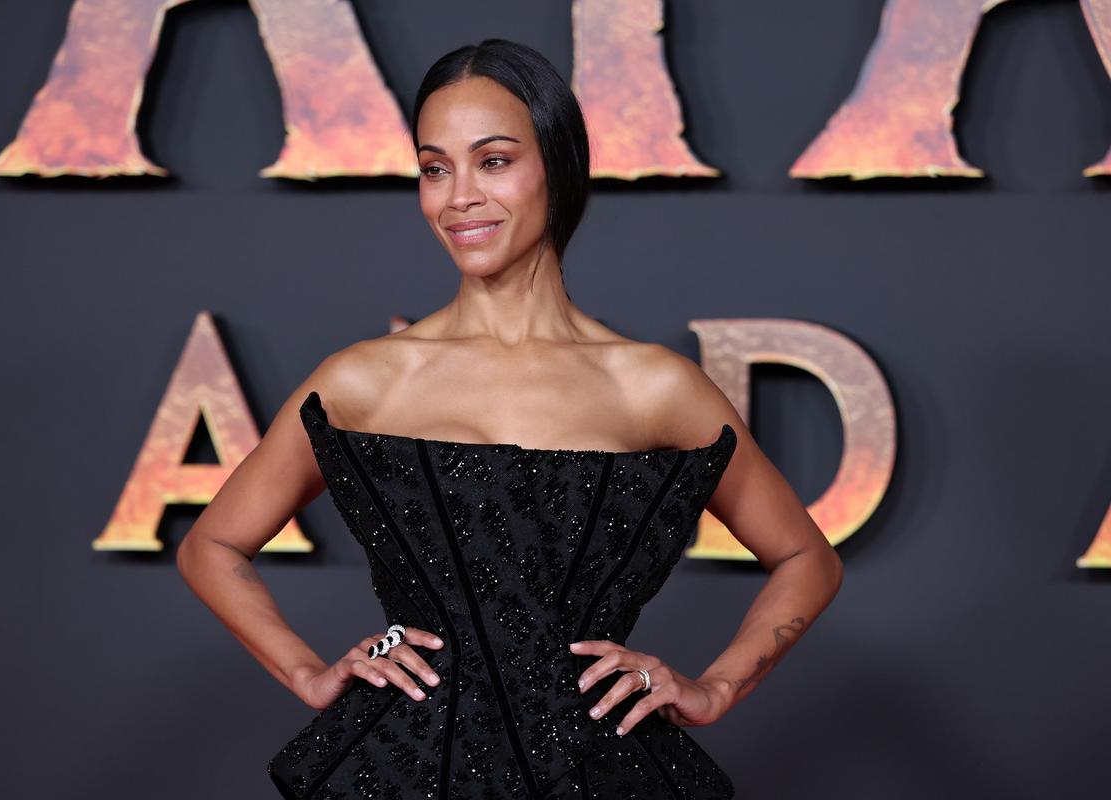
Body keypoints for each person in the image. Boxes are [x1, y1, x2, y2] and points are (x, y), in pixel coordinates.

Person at [177, 38, 842, 800]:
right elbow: (211, 546)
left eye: (492, 161)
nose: (458, 196)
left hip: (602, 774)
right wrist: (307, 672)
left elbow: (807, 559)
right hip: (403, 772)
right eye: (435, 168)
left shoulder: (655, 388)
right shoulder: (365, 381)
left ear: (557, 166)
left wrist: (715, 688)